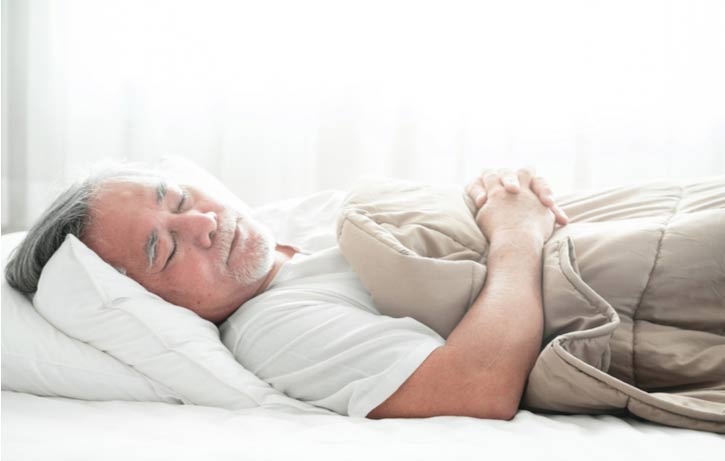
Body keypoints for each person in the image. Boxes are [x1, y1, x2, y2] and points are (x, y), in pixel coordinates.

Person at [5, 165, 568, 420]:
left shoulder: (304, 220)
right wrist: (518, 235)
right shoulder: (273, 328)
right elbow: (475, 388)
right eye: (166, 250)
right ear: (149, 303)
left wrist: (501, 190)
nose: (202, 222)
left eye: (178, 199)